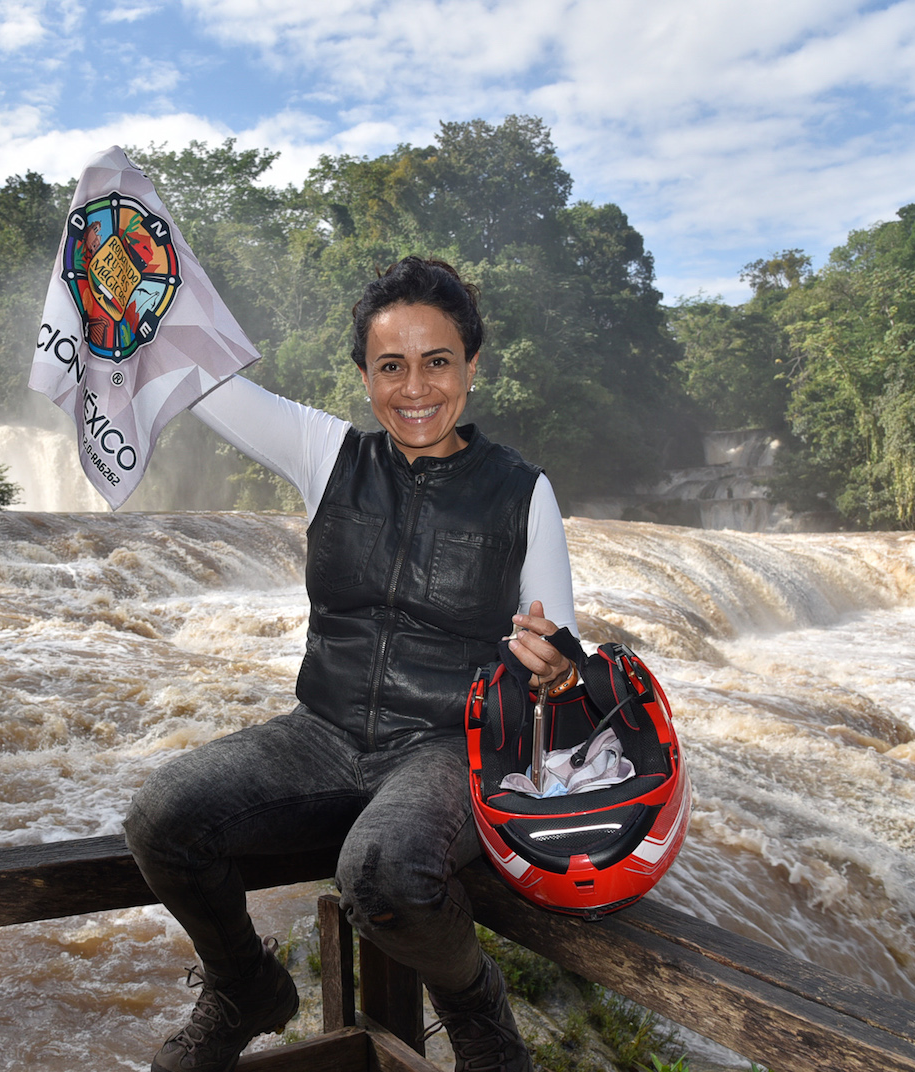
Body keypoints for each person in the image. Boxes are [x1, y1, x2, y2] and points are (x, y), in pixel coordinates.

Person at [124, 257, 577, 1072]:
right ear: (364, 373)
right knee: (163, 815)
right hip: (322, 734)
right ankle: (244, 987)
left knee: (384, 869)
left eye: (437, 362)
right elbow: (201, 378)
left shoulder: (523, 493)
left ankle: (480, 1020)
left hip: (450, 746)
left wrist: (553, 668)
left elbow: (557, 645)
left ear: (472, 365)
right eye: (390, 366)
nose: (415, 389)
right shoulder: (324, 453)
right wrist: (128, 269)